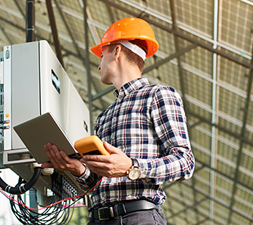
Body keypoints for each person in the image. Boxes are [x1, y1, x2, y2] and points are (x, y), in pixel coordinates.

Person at [42, 18, 195, 224]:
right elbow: (97, 183)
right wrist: (77, 169)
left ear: (116, 51)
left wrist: (132, 167)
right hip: (98, 219)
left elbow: (185, 163)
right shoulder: (104, 116)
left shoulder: (158, 95)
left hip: (138, 217)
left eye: (102, 54)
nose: (99, 64)